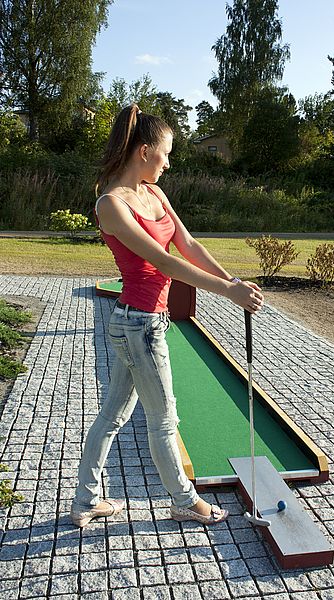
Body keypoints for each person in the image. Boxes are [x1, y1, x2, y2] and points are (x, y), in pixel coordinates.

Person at [70, 104, 264, 528]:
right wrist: (228, 293)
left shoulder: (153, 192)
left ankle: (85, 501)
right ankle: (184, 500)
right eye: (166, 153)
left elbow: (188, 245)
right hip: (136, 324)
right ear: (143, 151)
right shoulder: (111, 204)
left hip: (143, 323)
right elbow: (163, 262)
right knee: (163, 420)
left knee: (112, 415)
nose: (169, 162)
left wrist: (233, 279)